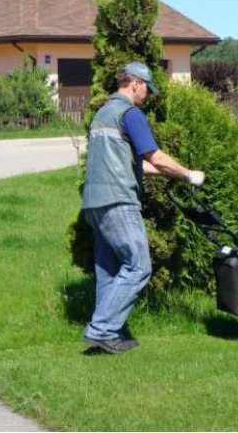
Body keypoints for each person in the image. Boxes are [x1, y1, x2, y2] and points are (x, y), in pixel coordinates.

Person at [81, 61, 205, 354]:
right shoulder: (130, 114)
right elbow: (156, 157)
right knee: (138, 266)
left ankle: (108, 336)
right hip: (119, 200)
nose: (147, 95)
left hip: (94, 202)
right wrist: (188, 174)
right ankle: (100, 330)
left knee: (110, 270)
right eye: (147, 88)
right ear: (135, 83)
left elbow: (132, 162)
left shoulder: (103, 114)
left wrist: (167, 173)